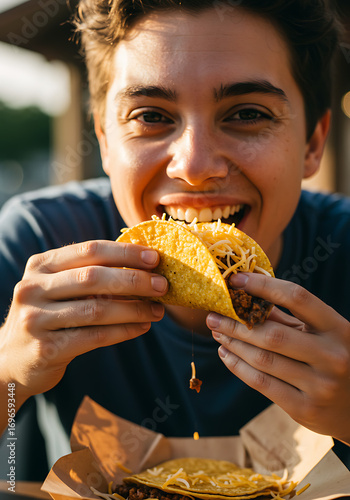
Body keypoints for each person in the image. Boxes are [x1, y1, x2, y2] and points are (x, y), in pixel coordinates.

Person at [1, 0, 350, 480]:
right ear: (104, 140)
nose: (195, 165)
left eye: (247, 113)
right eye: (150, 116)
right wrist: (7, 373)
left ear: (313, 142)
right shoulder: (41, 244)